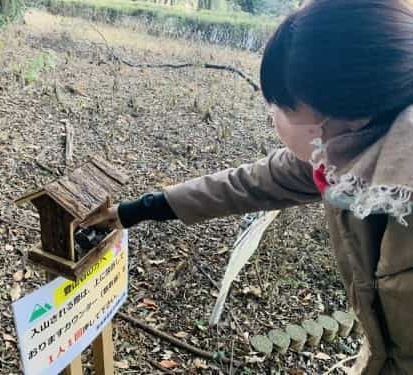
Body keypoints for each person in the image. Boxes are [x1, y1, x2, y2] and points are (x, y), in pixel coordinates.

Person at [81, 1, 413, 373]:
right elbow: (246, 185)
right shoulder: (343, 155)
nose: (274, 116)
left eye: (284, 107)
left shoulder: (397, 195)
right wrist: (134, 211)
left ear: (351, 113)